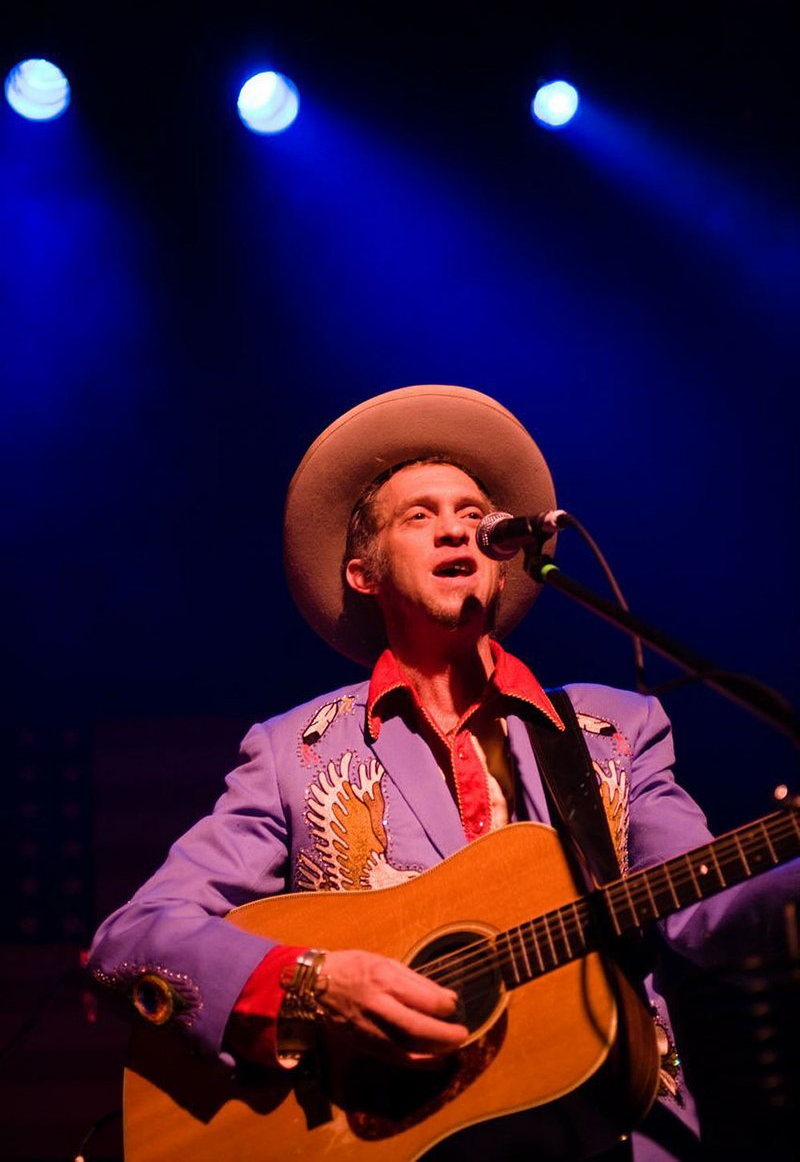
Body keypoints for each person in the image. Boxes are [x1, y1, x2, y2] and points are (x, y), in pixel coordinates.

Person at [90, 385, 799, 1161]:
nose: (458, 524)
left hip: (611, 1135)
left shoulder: (614, 732)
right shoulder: (297, 752)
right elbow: (133, 941)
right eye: (419, 514)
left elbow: (708, 919)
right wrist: (315, 983)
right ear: (364, 573)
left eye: (472, 510)